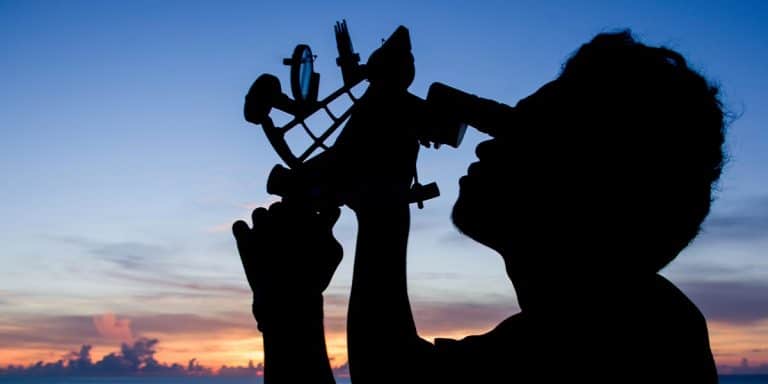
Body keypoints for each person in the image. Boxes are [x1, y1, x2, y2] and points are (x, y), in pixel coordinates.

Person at [234, 30, 725, 383]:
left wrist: (292, 308)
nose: (484, 146)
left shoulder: (624, 342)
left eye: (522, 134)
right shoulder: (644, 320)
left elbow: (391, 379)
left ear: (591, 186)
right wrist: (289, 309)